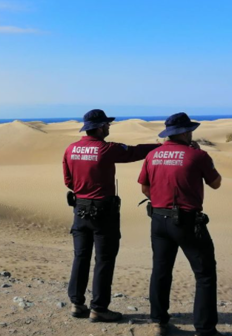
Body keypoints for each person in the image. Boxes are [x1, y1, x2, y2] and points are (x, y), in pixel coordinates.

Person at [63, 109, 160, 323]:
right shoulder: (106, 149)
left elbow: (68, 181)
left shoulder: (70, 149)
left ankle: (77, 303)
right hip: (103, 212)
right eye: (107, 125)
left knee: (81, 256)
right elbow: (135, 152)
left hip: (79, 209)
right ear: (98, 127)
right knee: (104, 259)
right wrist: (162, 147)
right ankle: (99, 308)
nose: (108, 127)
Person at [137, 112, 222, 336]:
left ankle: (159, 322)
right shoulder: (197, 155)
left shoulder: (153, 155)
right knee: (204, 273)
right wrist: (202, 156)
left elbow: (145, 188)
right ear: (184, 132)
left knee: (161, 270)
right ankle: (205, 329)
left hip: (158, 219)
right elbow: (216, 183)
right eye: (190, 130)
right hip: (187, 221)